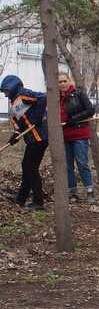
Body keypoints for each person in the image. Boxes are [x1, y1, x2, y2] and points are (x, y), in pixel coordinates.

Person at [1, 75, 48, 210]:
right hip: (32, 139)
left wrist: (37, 117)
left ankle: (38, 202)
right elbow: (17, 121)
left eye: (6, 91)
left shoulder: (23, 94)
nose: (4, 94)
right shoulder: (14, 102)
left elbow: (43, 98)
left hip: (39, 137)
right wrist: (15, 134)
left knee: (30, 167)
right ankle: (21, 198)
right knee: (27, 166)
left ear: (13, 87)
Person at [57, 72, 96, 203]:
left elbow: (90, 110)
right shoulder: (55, 98)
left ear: (69, 81)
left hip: (79, 134)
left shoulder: (78, 94)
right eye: (59, 82)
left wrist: (74, 119)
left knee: (82, 163)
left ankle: (90, 191)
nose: (62, 84)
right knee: (68, 165)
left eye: (64, 81)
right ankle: (72, 193)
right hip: (64, 136)